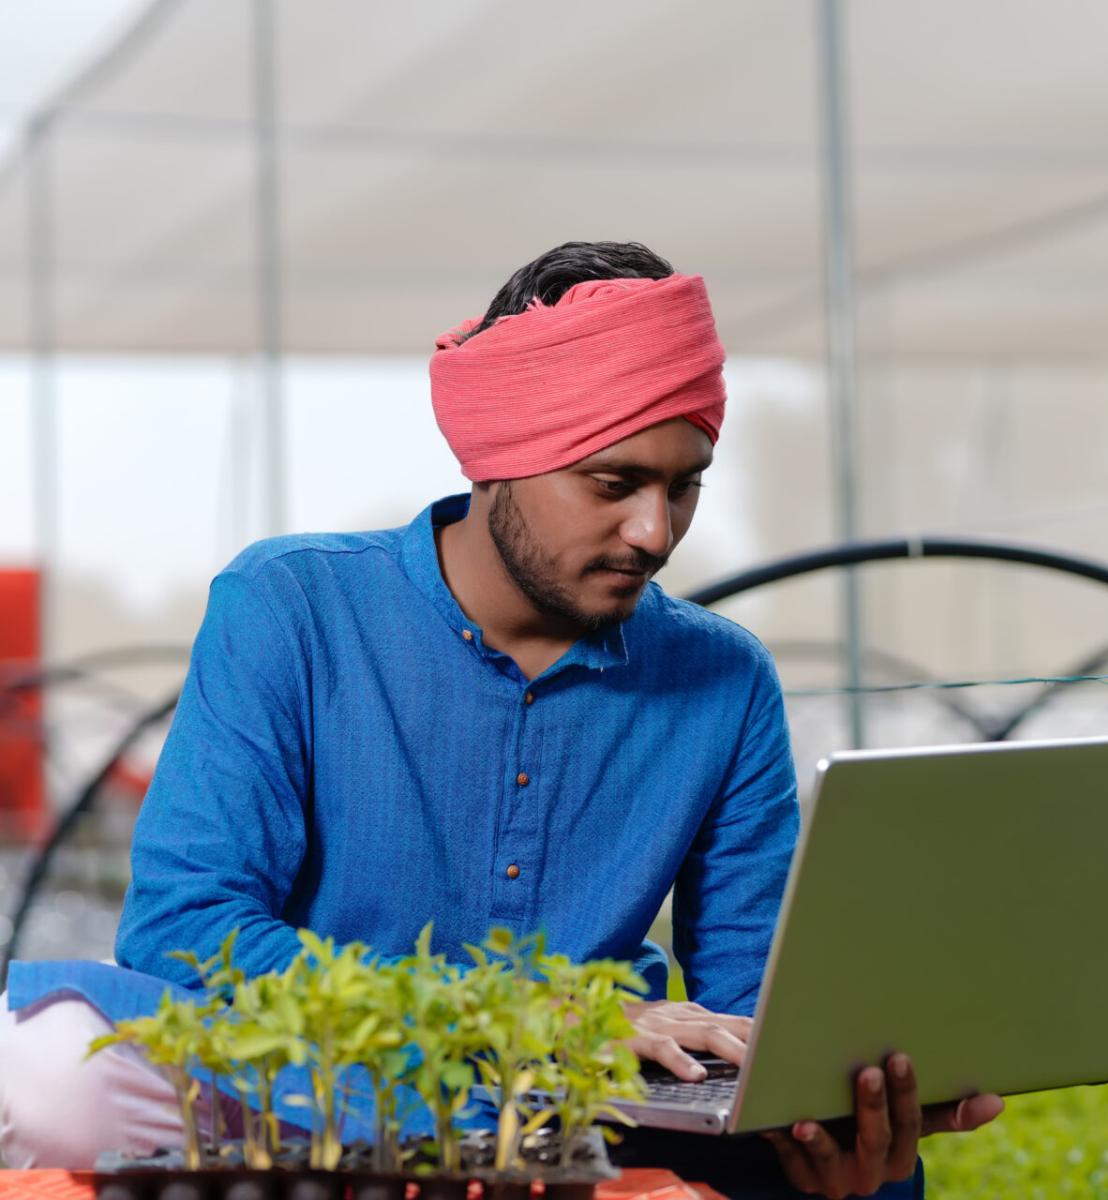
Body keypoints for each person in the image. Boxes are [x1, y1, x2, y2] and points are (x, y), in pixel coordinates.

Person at [0, 241, 1002, 1197]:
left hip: (593, 1109)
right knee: (48, 1073)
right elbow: (185, 931)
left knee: (849, 1176)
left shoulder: (724, 678)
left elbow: (749, 1009)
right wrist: (538, 1021)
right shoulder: (291, 607)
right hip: (323, 1087)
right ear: (500, 457)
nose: (654, 533)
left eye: (682, 487)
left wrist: (822, 1119)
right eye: (613, 485)